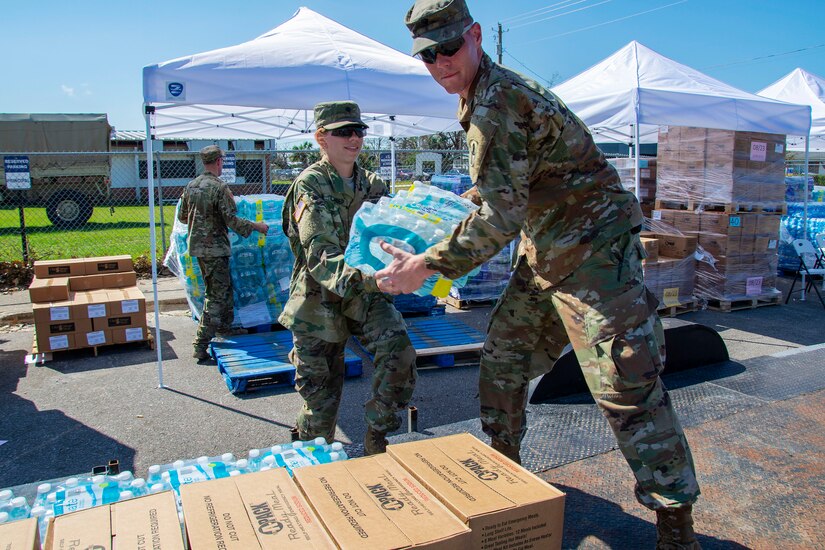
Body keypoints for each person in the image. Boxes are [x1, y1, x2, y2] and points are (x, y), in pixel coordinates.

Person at [375, 1, 702, 547]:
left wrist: (428, 267)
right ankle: (507, 483)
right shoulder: (482, 94)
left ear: (475, 36)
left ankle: (676, 525)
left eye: (448, 48)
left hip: (595, 256)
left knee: (625, 387)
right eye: (427, 55)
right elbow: (517, 181)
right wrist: (462, 202)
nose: (439, 63)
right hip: (546, 249)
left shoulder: (495, 104)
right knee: (502, 363)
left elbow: (502, 215)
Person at [279, 101, 417, 454]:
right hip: (317, 299)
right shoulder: (310, 185)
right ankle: (313, 462)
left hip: (365, 294)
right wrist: (376, 280)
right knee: (321, 398)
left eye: (358, 131)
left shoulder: (372, 185)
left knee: (399, 354)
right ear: (321, 138)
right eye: (343, 132)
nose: (354, 138)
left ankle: (377, 439)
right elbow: (320, 258)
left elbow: (395, 233)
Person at [177, 145, 268, 361]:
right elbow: (232, 220)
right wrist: (257, 226)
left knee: (224, 288)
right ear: (219, 161)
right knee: (216, 296)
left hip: (199, 248)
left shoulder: (191, 186)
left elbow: (182, 216)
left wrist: (202, 219)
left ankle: (225, 328)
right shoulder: (219, 187)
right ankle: (200, 344)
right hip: (215, 249)